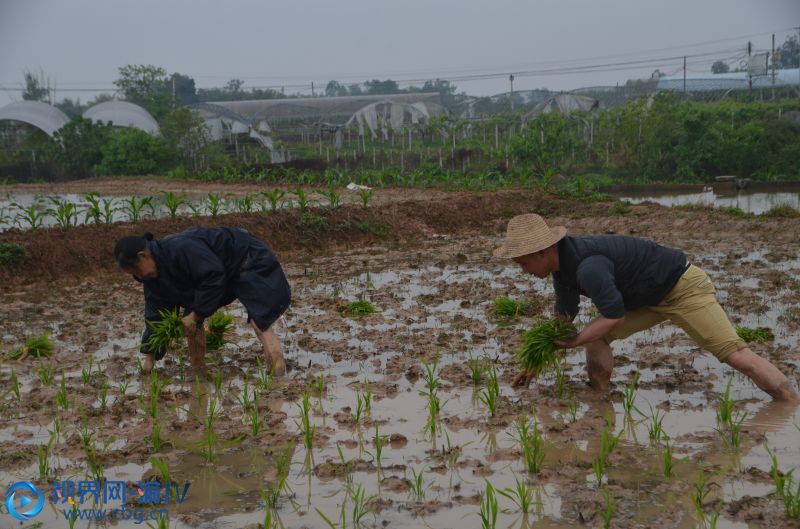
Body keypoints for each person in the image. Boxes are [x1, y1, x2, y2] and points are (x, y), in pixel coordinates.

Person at [495, 213, 799, 402]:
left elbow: (613, 316)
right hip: (648, 298)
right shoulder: (562, 269)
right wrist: (535, 361)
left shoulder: (588, 267)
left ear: (543, 251)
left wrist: (574, 341)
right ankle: (601, 399)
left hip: (682, 288)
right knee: (597, 337)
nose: (522, 269)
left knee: (736, 356)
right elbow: (563, 318)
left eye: (523, 262)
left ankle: (789, 404)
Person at [114, 227, 291, 375]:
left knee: (260, 319)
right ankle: (198, 371)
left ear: (143, 256)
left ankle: (278, 372)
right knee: (191, 322)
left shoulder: (180, 248)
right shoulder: (151, 277)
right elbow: (155, 315)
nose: (138, 277)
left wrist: (195, 314)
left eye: (136, 271)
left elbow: (213, 277)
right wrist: (149, 361)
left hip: (245, 257)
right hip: (218, 270)